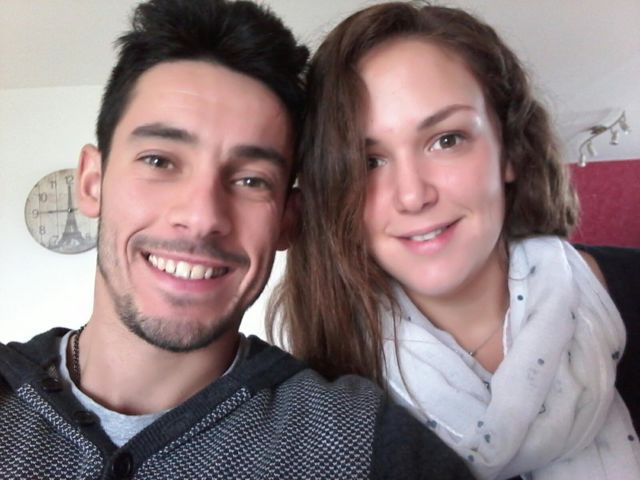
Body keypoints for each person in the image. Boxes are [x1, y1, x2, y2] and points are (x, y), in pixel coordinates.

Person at [0, 1, 474, 478]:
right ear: (92, 182)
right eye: (160, 161)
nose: (202, 217)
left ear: (288, 219)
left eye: (251, 180)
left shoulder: (362, 440)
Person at [268, 2, 640, 479]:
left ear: (508, 149)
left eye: (446, 140)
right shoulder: (324, 408)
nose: (413, 195)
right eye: (368, 162)